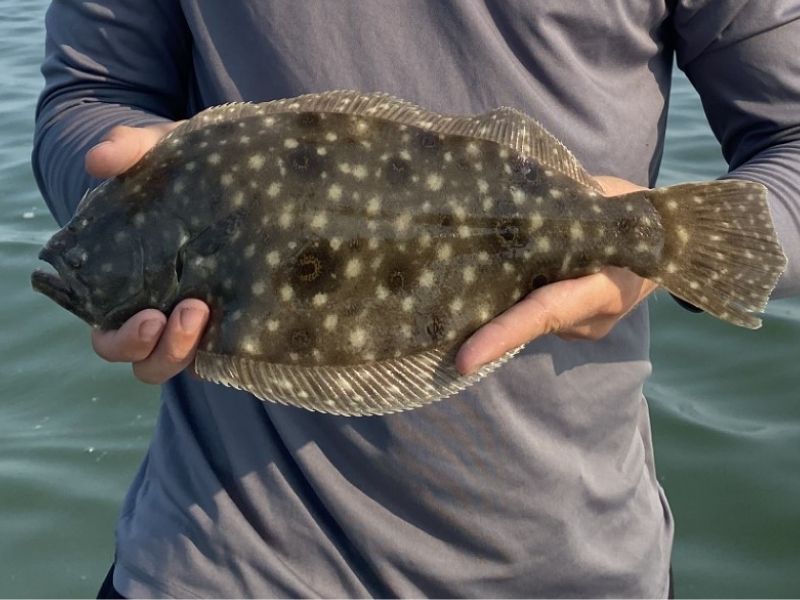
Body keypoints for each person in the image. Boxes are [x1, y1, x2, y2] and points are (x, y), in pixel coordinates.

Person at [33, 2, 799, 597]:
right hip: (218, 560)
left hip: (573, 567)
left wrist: (653, 253)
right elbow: (90, 94)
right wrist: (113, 176)